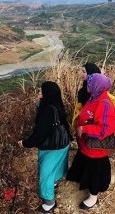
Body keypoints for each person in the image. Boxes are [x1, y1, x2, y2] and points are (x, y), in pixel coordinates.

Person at [18, 81, 71, 213]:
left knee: (45, 173)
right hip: (63, 143)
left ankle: (49, 202)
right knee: (56, 166)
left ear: (47, 94)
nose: (39, 94)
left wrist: (25, 143)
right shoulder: (57, 104)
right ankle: (54, 183)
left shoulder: (47, 110)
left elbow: (40, 134)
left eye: (41, 92)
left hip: (52, 147)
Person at [66, 73, 115, 210]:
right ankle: (80, 178)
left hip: (95, 150)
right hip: (87, 145)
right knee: (83, 163)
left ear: (96, 86)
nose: (87, 85)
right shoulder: (94, 97)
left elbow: (106, 129)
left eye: (90, 83)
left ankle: (93, 197)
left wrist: (85, 129)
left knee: (94, 172)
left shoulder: (104, 104)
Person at [73, 63, 115, 128]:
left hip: (91, 128)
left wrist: (99, 112)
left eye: (84, 72)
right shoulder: (84, 91)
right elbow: (79, 108)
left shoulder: (100, 92)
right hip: (83, 126)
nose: (81, 74)